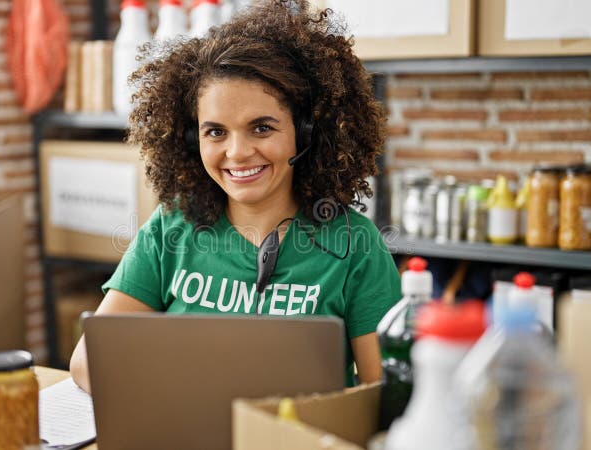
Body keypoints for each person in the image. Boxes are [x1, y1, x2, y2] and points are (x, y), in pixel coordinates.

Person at [70, 0, 401, 392]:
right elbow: (88, 361)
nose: (237, 152)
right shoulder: (170, 227)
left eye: (261, 128)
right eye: (215, 132)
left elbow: (386, 394)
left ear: (306, 132)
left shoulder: (356, 247)